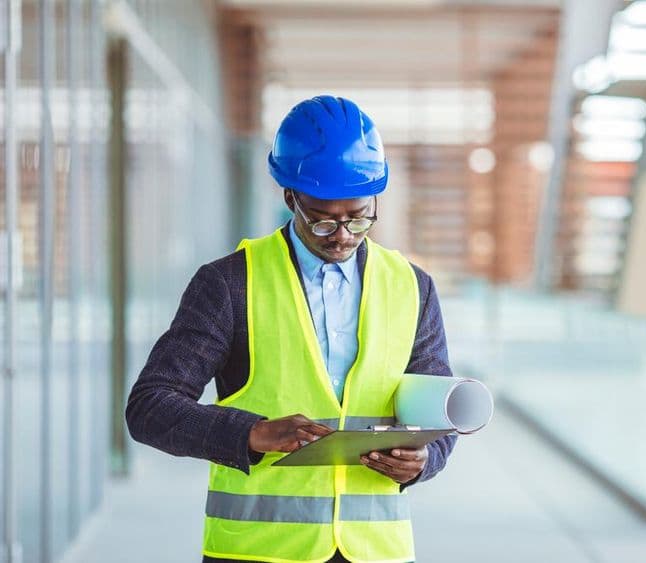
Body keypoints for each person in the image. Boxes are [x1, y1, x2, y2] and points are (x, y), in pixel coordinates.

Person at [126, 95, 457, 563]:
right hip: (259, 551)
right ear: (289, 198)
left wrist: (426, 460)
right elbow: (150, 407)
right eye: (323, 222)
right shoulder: (229, 283)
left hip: (376, 551)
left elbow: (438, 408)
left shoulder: (412, 286)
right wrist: (252, 433)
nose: (343, 234)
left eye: (359, 217)